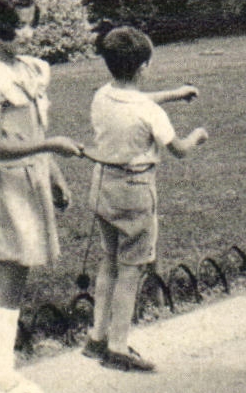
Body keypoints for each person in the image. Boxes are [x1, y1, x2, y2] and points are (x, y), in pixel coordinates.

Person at [0, 0, 83, 393]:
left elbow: (33, 130)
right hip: (6, 182)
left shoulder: (32, 69)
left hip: (31, 177)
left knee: (17, 273)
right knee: (12, 270)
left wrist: (54, 173)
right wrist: (51, 146)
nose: (29, 35)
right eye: (19, 27)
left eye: (31, 25)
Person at [78, 22, 207, 373]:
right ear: (143, 67)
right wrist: (197, 135)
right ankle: (119, 347)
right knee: (132, 270)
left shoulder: (102, 95)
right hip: (135, 192)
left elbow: (135, 99)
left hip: (102, 184)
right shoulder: (150, 113)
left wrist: (175, 93)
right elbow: (178, 149)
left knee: (109, 260)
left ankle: (97, 337)